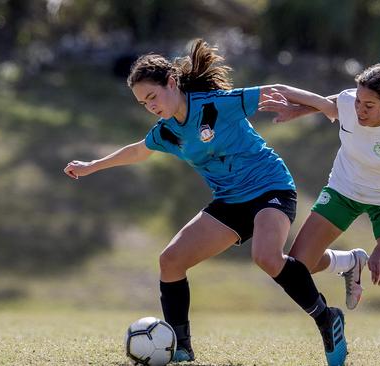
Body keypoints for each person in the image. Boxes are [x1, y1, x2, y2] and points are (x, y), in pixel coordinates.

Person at [63, 39, 347, 365]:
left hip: (271, 187)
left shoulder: (214, 104)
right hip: (229, 201)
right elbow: (138, 150)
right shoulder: (167, 132)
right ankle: (182, 347)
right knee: (170, 261)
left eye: (153, 96)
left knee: (267, 257)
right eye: (143, 103)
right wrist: (91, 166)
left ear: (171, 83)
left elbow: (277, 87)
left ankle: (327, 318)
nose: (151, 106)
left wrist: (326, 106)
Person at [260, 63, 380, 366]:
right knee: (297, 269)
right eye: (357, 102)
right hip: (343, 190)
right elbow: (326, 104)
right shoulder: (350, 103)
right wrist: (291, 106)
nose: (360, 110)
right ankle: (350, 261)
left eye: (369, 106)